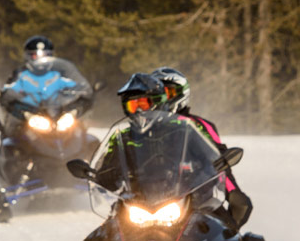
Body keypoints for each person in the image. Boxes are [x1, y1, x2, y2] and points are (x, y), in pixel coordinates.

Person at [95, 73, 251, 231]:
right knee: (103, 237)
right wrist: (100, 178)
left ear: (158, 102)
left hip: (187, 200)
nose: (139, 111)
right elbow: (107, 172)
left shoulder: (186, 130)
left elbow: (213, 160)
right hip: (138, 205)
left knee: (226, 232)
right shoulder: (123, 137)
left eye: (143, 104)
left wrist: (228, 190)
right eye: (133, 106)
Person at [148, 66, 252, 229]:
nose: (164, 98)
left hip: (195, 201)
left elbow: (219, 159)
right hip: (143, 203)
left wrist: (233, 192)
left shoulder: (198, 126)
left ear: (182, 93)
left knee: (227, 234)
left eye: (168, 93)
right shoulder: (139, 130)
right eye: (158, 94)